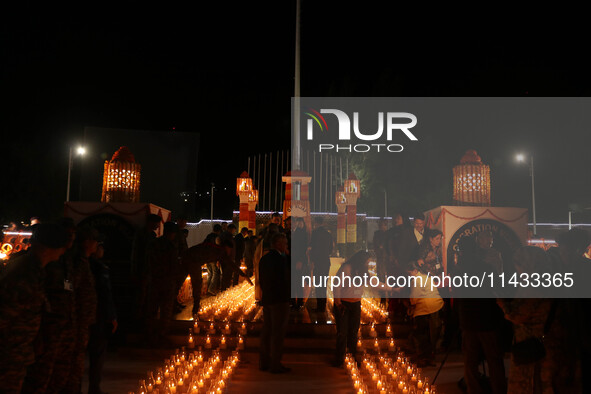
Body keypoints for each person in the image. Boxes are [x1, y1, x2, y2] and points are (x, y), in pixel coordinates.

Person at [0, 223, 68, 393]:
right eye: (62, 246)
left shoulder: (36, 269)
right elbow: (6, 314)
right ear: (51, 247)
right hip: (9, 354)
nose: (64, 251)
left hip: (19, 350)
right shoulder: (25, 272)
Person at [21, 218, 77, 393]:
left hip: (59, 328)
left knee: (56, 377)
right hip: (35, 338)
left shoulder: (66, 261)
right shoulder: (28, 270)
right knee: (37, 381)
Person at [497, 246, 558, 394]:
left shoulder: (535, 286)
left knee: (531, 383)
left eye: (519, 264)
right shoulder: (543, 282)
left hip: (532, 344)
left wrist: (502, 302)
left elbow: (517, 315)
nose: (517, 269)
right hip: (538, 342)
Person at [455, 237, 506, 394]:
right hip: (487, 318)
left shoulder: (459, 270)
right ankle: (499, 389)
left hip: (468, 320)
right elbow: (499, 288)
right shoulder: (486, 268)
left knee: (470, 361)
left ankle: (474, 389)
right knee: (494, 359)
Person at [63, 226, 100, 393]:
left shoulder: (84, 262)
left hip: (83, 320)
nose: (97, 246)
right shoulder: (77, 263)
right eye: (95, 242)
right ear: (87, 243)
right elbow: (71, 291)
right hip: (75, 322)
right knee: (72, 363)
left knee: (77, 363)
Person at [182, 241, 253, 315]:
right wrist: (244, 275)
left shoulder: (215, 247)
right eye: (230, 250)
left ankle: (180, 304)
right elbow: (231, 264)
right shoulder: (220, 251)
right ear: (226, 247)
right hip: (193, 260)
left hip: (187, 256)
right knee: (197, 283)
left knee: (182, 281)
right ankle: (195, 309)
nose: (230, 252)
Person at [258, 232, 291, 373]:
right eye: (284, 243)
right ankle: (275, 364)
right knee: (277, 333)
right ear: (278, 244)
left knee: (267, 331)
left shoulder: (264, 259)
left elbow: (262, 280)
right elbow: (284, 280)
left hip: (268, 299)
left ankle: (264, 362)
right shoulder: (281, 260)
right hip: (280, 300)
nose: (286, 246)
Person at [88, 242, 117, 394]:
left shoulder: (77, 263)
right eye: (100, 246)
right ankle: (94, 387)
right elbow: (105, 294)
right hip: (97, 316)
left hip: (81, 316)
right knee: (97, 353)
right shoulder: (99, 268)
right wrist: (111, 316)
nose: (102, 250)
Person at [333, 251, 370, 367]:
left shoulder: (363, 270)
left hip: (355, 304)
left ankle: (352, 356)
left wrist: (392, 289)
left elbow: (374, 282)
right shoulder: (347, 268)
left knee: (354, 331)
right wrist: (338, 302)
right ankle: (339, 358)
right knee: (342, 332)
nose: (368, 264)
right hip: (343, 303)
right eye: (367, 262)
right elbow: (337, 284)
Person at [146, 222, 179, 344]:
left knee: (152, 309)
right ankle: (162, 335)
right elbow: (174, 265)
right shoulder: (171, 246)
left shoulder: (154, 244)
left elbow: (148, 261)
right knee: (166, 310)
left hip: (154, 280)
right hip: (167, 282)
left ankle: (149, 334)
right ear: (172, 233)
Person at [408, 263, 444, 367]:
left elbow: (414, 299)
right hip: (436, 305)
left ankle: (423, 357)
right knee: (431, 334)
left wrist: (411, 306)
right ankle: (430, 356)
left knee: (421, 333)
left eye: (410, 273)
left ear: (415, 271)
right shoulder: (427, 278)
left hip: (424, 308)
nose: (409, 276)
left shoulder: (416, 280)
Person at [131, 213, 161, 319]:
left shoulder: (152, 235)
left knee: (148, 296)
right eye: (157, 223)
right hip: (142, 270)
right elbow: (135, 255)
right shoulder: (140, 235)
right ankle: (138, 318)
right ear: (150, 223)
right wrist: (134, 271)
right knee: (141, 296)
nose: (158, 226)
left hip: (150, 270)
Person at [309, 216, 333, 312]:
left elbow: (313, 248)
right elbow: (331, 249)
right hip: (326, 262)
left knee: (318, 284)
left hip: (318, 262)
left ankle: (320, 306)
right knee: (323, 284)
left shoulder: (315, 233)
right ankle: (323, 305)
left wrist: (312, 260)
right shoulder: (328, 234)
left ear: (316, 223)